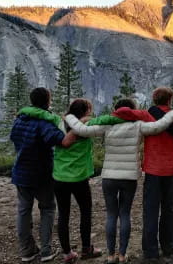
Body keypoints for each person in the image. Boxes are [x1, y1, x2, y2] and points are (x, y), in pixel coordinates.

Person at [64, 98, 173, 264]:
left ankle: (111, 256)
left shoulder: (106, 125)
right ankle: (122, 255)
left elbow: (80, 129)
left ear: (115, 110)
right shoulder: (138, 126)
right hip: (129, 178)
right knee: (125, 214)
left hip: (109, 177)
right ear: (133, 110)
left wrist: (68, 117)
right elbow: (159, 125)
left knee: (111, 215)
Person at [112, 87, 173, 263]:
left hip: (152, 170)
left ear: (154, 99)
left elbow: (121, 112)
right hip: (170, 169)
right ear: (170, 100)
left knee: (150, 211)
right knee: (168, 209)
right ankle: (169, 246)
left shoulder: (146, 114)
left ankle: (150, 251)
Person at [52, 99, 122, 263]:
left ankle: (67, 253)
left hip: (59, 176)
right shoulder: (87, 127)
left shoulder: (58, 123)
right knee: (85, 212)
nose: (91, 113)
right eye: (90, 110)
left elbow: (51, 117)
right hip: (79, 177)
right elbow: (104, 121)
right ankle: (86, 249)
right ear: (85, 111)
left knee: (63, 215)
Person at [10, 87, 66, 262]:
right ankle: (46, 251)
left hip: (20, 172)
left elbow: (13, 138)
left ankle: (26, 251)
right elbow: (58, 138)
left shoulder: (20, 119)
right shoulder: (44, 122)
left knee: (23, 210)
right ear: (47, 101)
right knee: (48, 209)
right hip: (42, 174)